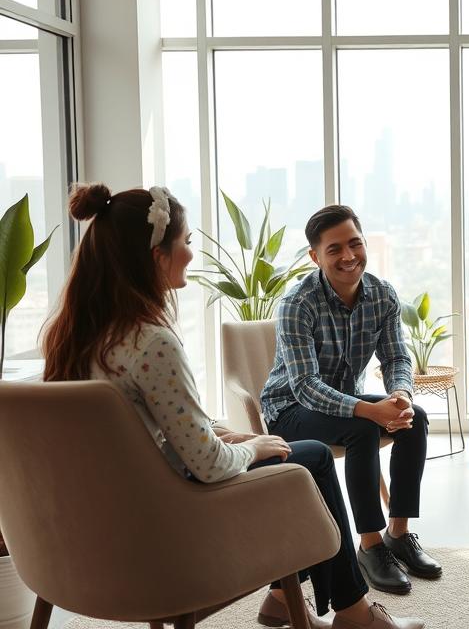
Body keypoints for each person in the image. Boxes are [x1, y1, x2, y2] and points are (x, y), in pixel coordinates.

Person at [42, 184, 424, 629]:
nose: (190, 254)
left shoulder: (75, 338)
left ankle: (285, 597)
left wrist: (235, 435)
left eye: (355, 242)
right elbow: (207, 463)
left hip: (108, 517)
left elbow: (158, 428)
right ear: (155, 256)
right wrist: (255, 449)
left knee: (309, 447)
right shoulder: (153, 343)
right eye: (185, 243)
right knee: (313, 458)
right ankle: (354, 609)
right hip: (170, 513)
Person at [261, 205, 441, 596]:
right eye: (334, 249)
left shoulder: (382, 294)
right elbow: (305, 384)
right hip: (289, 409)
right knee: (362, 428)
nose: (348, 256)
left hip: (346, 402)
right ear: (315, 256)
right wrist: (369, 410)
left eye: (355, 243)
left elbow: (396, 357)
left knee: (417, 418)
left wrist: (400, 396)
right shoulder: (298, 303)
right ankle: (370, 545)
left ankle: (398, 533)